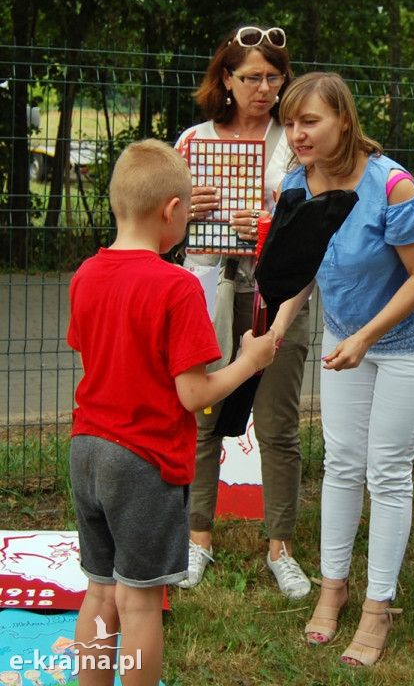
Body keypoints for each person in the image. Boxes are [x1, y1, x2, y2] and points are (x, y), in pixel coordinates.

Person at [67, 139, 276, 686]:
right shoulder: (176, 285)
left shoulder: (86, 274)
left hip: (86, 450)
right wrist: (250, 361)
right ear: (172, 211)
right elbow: (195, 395)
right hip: (142, 461)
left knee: (98, 591)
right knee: (140, 604)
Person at [270, 72, 414, 666]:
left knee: (388, 470)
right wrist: (274, 327)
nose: (296, 133)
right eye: (291, 122)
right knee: (343, 462)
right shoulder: (297, 184)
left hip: (408, 342)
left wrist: (367, 337)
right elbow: (300, 269)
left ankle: (378, 607)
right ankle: (333, 587)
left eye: (310, 121)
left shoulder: (392, 186)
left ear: (343, 120)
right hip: (345, 337)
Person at [175, 25, 311, 599]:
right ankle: (197, 539)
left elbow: (320, 221)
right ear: (225, 79)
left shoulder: (299, 138)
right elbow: (157, 226)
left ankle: (280, 546)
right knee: (204, 417)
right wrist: (185, 208)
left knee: (278, 424)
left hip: (279, 294)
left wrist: (275, 213)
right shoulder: (193, 141)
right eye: (250, 76)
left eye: (273, 77)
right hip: (208, 289)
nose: (263, 88)